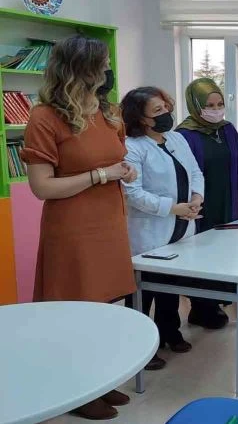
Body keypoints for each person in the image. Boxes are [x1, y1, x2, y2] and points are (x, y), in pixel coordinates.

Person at [20, 35, 138, 420]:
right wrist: (101, 175)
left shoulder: (109, 112)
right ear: (81, 69)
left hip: (109, 223)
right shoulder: (45, 117)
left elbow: (115, 159)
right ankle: (75, 388)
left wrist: (125, 171)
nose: (108, 70)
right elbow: (42, 187)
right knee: (76, 313)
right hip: (73, 229)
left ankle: (99, 380)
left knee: (105, 308)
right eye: (103, 64)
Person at [121, 87, 203, 370]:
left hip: (181, 225)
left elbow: (195, 172)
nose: (166, 113)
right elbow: (133, 193)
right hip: (151, 231)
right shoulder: (132, 146)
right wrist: (172, 208)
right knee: (144, 292)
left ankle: (169, 331)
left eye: (166, 107)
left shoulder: (176, 138)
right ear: (140, 118)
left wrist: (196, 198)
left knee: (171, 284)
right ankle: (139, 346)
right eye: (157, 111)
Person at [176, 78, 238, 330]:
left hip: (227, 201)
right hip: (200, 204)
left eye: (219, 104)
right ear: (196, 106)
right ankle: (200, 306)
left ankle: (216, 301)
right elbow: (183, 174)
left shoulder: (227, 129)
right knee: (201, 253)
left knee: (225, 251)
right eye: (209, 105)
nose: (216, 110)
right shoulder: (184, 135)